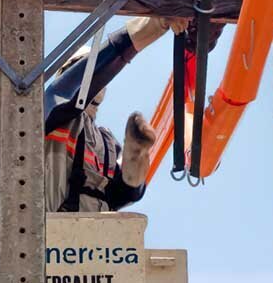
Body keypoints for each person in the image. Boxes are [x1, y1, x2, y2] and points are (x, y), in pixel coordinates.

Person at [43, 15, 189, 213]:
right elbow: (74, 88)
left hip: (97, 240)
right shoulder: (48, 115)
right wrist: (154, 25)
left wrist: (135, 155)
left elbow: (124, 194)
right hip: (48, 233)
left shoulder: (106, 142)